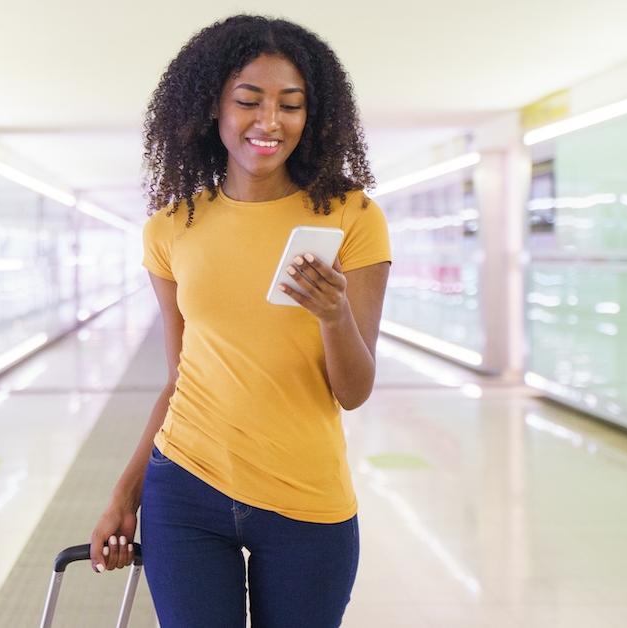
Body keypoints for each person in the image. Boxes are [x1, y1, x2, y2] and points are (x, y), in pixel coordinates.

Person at [88, 14, 391, 628]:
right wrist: (126, 493)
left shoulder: (353, 218)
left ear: (314, 116)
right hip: (185, 486)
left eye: (291, 105)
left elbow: (354, 392)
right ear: (211, 109)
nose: (269, 122)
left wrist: (333, 314)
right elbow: (179, 378)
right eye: (248, 101)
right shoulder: (171, 228)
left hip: (307, 495)